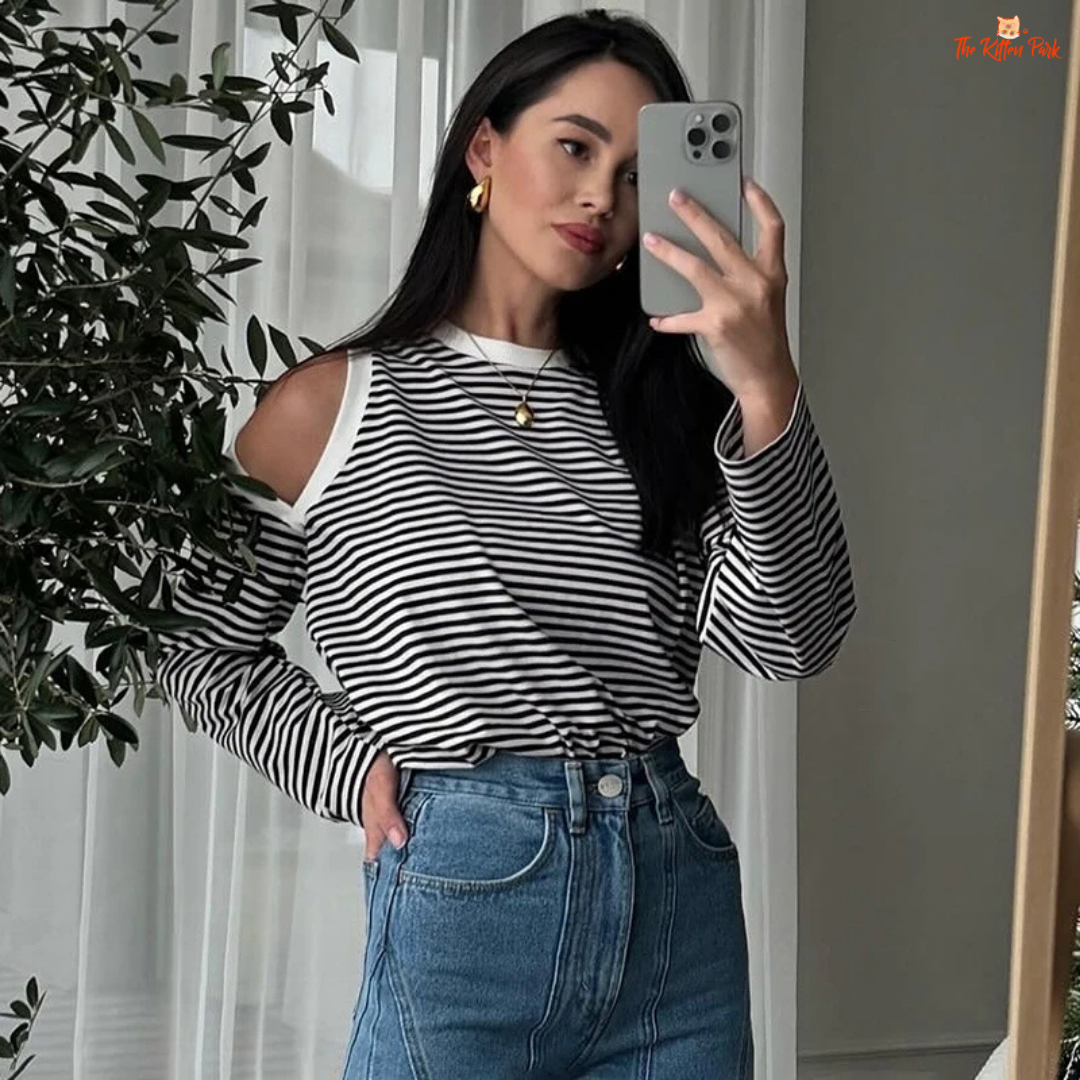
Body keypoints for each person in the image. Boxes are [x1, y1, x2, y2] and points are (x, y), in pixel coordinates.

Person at [155, 9, 857, 1078]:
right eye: (575, 147)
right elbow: (192, 647)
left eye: (635, 176)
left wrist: (765, 383)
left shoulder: (667, 412)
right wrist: (349, 764)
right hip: (469, 896)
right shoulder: (333, 406)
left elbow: (793, 639)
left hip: (677, 904)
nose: (601, 198)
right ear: (484, 148)